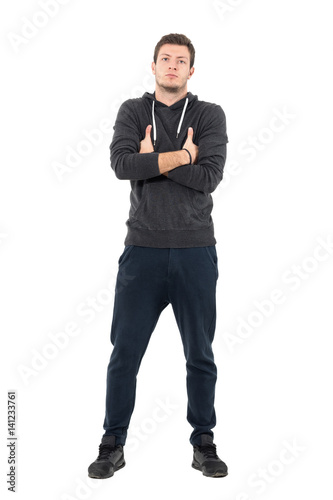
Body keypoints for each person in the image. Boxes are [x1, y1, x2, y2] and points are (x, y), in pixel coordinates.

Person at [88, 33, 228, 479]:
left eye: (180, 60)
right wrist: (181, 155)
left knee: (200, 354)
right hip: (142, 251)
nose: (172, 66)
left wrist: (156, 159)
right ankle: (113, 442)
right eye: (164, 59)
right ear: (153, 66)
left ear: (191, 70)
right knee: (124, 353)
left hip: (195, 250)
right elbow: (122, 166)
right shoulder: (132, 111)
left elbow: (209, 177)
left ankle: (203, 441)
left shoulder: (209, 115)